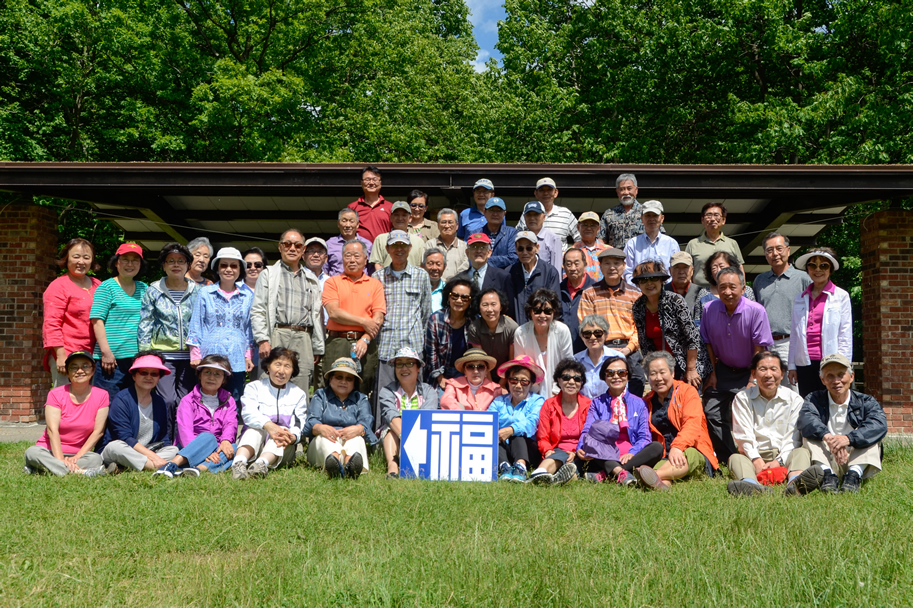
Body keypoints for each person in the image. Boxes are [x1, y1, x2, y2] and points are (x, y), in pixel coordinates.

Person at [699, 266, 774, 464]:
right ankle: (729, 458)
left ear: (743, 287)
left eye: (733, 287)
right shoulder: (709, 309)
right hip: (722, 370)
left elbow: (761, 348)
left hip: (750, 371)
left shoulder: (756, 310)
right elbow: (707, 344)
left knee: (754, 415)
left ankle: (757, 457)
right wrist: (713, 373)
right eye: (722, 287)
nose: (728, 292)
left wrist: (753, 379)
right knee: (711, 410)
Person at [791, 353, 886, 495]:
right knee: (809, 436)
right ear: (822, 380)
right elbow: (806, 420)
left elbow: (879, 425)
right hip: (825, 457)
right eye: (830, 376)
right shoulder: (813, 399)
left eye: (841, 375)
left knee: (872, 438)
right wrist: (828, 437)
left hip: (855, 456)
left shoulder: (866, 401)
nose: (836, 381)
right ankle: (827, 476)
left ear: (851, 376)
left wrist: (848, 439)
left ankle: (853, 477)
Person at [250, 229, 325, 392]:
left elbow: (317, 315)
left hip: (304, 337)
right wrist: (262, 339)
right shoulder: (268, 274)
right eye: (287, 244)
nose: (292, 248)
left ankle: (298, 419)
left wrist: (317, 346)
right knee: (270, 385)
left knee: (301, 387)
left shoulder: (311, 279)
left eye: (298, 245)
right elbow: (258, 309)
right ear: (280, 247)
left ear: (303, 250)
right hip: (277, 334)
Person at [727, 350, 810, 496]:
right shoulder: (742, 398)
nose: (768, 375)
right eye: (762, 369)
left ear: (782, 373)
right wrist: (756, 459)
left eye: (773, 369)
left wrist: (779, 462)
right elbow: (743, 436)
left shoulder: (795, 400)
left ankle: (795, 484)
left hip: (784, 453)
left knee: (802, 452)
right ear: (753, 373)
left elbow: (793, 438)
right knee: (736, 459)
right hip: (753, 454)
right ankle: (751, 486)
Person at [137, 242, 199, 436]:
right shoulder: (154, 290)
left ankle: (183, 440)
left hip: (191, 357)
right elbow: (145, 323)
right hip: (163, 355)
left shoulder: (197, 290)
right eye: (170, 261)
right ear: (163, 265)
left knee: (186, 400)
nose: (176, 265)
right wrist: (145, 355)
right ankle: (166, 439)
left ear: (188, 265)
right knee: (168, 399)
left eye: (181, 261)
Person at [635, 351, 719, 491]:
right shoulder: (646, 401)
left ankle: (653, 476)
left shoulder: (687, 392)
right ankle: (661, 488)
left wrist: (678, 447)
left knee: (689, 455)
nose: (658, 378)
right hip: (665, 455)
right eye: (653, 374)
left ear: (672, 373)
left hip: (692, 450)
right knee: (661, 470)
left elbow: (692, 424)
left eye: (662, 372)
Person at [576, 355, 663, 484]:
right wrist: (580, 446)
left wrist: (632, 453)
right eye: (610, 373)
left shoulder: (639, 403)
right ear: (604, 377)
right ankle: (621, 473)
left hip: (631, 454)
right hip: (604, 453)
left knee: (657, 447)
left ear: (627, 376)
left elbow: (644, 436)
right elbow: (588, 430)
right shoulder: (597, 403)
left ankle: (609, 473)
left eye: (621, 372)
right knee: (592, 442)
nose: (616, 376)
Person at [23, 351, 109, 477]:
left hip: (79, 454)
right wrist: (60, 459)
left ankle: (43, 468)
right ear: (68, 373)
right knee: (32, 452)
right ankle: (81, 472)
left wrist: (77, 456)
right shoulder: (55, 394)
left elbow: (98, 432)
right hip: (50, 450)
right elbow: (52, 430)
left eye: (85, 366)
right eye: (74, 367)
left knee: (95, 459)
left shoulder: (102, 395)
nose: (80, 371)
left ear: (93, 370)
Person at [375, 230, 432, 419]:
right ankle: (383, 438)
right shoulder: (377, 277)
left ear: (409, 248)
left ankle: (417, 434)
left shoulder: (421, 275)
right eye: (394, 246)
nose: (399, 249)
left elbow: (425, 311)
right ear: (387, 249)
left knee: (414, 394)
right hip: (386, 345)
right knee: (385, 395)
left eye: (403, 245)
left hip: (412, 346)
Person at [187, 247, 255, 403]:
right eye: (224, 265)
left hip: (237, 356)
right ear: (217, 268)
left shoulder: (247, 296)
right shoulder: (206, 293)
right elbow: (196, 323)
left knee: (234, 399)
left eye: (234, 265)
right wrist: (195, 355)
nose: (229, 269)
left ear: (240, 270)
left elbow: (248, 329)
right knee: (208, 398)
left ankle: (230, 428)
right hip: (210, 355)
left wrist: (248, 355)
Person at [322, 240, 386, 401]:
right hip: (338, 341)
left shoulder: (375, 284)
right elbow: (334, 312)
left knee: (363, 388)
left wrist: (365, 338)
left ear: (366, 259)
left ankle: (360, 425)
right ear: (342, 258)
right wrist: (364, 322)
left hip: (366, 343)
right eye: (347, 255)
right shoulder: (332, 282)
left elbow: (378, 316)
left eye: (357, 256)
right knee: (333, 386)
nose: (352, 260)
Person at [230, 347, 308, 480]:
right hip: (255, 445)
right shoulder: (254, 387)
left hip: (281, 449)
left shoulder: (298, 393)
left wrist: (292, 436)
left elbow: (299, 424)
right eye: (277, 364)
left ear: (293, 371)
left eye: (287, 366)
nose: (281, 371)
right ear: (268, 366)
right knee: (254, 429)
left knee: (283, 430)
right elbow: (249, 413)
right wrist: (268, 425)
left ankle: (261, 465)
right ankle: (239, 463)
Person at [154, 354, 238, 477]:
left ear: (224, 379)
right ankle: (171, 464)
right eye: (207, 372)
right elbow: (185, 432)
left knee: (234, 448)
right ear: (200, 375)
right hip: (190, 446)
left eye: (217, 374)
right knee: (208, 437)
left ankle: (197, 469)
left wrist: (225, 441)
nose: (211, 377)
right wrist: (203, 451)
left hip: (216, 447)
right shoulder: (188, 400)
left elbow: (230, 424)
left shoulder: (229, 400)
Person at [576, 247, 645, 396]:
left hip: (628, 349)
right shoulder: (590, 293)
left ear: (624, 265)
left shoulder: (635, 294)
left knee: (637, 383)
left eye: (616, 263)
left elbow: (639, 327)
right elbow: (585, 324)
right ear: (600, 266)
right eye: (607, 263)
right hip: (601, 348)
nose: (612, 267)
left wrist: (628, 348)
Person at [99, 352, 180, 473]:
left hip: (147, 451)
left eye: (154, 374)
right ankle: (160, 467)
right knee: (115, 447)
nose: (149, 377)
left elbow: (164, 438)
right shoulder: (122, 399)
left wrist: (158, 453)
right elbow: (125, 438)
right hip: (123, 448)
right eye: (144, 373)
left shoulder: (160, 402)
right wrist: (155, 458)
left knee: (173, 450)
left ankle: (128, 466)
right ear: (134, 376)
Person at [788, 247, 852, 397]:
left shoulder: (841, 296)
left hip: (832, 362)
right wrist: (792, 365)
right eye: (812, 265)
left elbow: (845, 334)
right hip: (805, 362)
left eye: (823, 265)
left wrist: (845, 365)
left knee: (831, 403)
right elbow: (794, 335)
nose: (818, 269)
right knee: (809, 404)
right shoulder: (800, 297)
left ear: (830, 269)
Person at [752, 232, 811, 391]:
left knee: (792, 391)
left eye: (779, 248)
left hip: (791, 343)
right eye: (769, 250)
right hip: (765, 345)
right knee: (767, 390)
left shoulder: (803, 278)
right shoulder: (760, 280)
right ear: (765, 254)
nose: (775, 254)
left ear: (788, 250)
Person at [90, 243, 149, 399]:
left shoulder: (145, 288)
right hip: (111, 361)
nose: (130, 264)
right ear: (116, 263)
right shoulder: (106, 287)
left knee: (133, 403)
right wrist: (106, 353)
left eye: (135, 260)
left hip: (137, 359)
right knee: (108, 403)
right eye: (125, 259)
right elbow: (97, 321)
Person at [631, 261, 703, 388]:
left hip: (685, 364)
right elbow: (644, 344)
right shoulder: (638, 306)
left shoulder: (675, 301)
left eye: (653, 278)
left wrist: (691, 369)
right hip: (660, 367)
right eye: (643, 280)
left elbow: (692, 338)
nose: (649, 283)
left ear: (661, 280)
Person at [303, 358, 377, 479]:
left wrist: (358, 429)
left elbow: (367, 422)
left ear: (354, 383)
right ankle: (334, 464)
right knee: (324, 438)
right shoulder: (320, 395)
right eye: (339, 377)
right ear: (330, 378)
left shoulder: (361, 398)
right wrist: (320, 428)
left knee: (357, 438)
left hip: (349, 441)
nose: (343, 381)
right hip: (323, 444)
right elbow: (310, 422)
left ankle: (350, 466)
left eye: (349, 378)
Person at [43, 238, 102, 387]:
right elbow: (51, 323)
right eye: (76, 256)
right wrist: (61, 355)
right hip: (67, 354)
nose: (81, 261)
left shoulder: (98, 285)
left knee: (90, 402)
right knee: (65, 401)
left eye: (86, 257)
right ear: (66, 258)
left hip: (93, 355)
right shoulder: (58, 286)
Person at [378, 347, 440, 478]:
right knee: (390, 430)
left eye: (410, 363)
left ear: (418, 368)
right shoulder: (386, 391)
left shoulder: (429, 391)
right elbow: (391, 415)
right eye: (399, 364)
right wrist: (407, 436)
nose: (404, 368)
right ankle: (393, 467)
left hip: (422, 435)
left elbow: (426, 418)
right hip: (396, 435)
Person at [529, 358, 589, 485]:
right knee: (558, 456)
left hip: (579, 453)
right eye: (566, 377)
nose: (571, 382)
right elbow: (542, 437)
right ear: (559, 381)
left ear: (581, 383)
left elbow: (591, 436)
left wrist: (575, 451)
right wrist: (547, 450)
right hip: (555, 451)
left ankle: (544, 475)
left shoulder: (589, 405)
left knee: (572, 474)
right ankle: (541, 473)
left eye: (577, 379)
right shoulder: (549, 405)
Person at [490, 356, 546, 482]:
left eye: (524, 382)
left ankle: (521, 467)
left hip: (528, 448)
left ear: (531, 384)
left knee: (517, 433)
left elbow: (532, 423)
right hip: (503, 446)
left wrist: (510, 429)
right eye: (513, 381)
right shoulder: (498, 401)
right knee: (494, 438)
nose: (518, 385)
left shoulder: (538, 401)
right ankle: (504, 467)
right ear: (508, 382)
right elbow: (489, 422)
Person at [513, 289, 573, 397]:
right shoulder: (521, 333)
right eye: (537, 310)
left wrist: (556, 392)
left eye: (547, 311)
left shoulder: (562, 331)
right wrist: (535, 395)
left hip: (561, 391)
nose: (542, 315)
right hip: (530, 392)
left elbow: (568, 365)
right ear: (530, 312)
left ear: (554, 312)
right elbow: (521, 368)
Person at [424, 277, 476, 390]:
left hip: (465, 373)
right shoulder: (436, 319)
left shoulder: (474, 322)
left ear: (471, 301)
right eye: (455, 295)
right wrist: (440, 377)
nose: (459, 300)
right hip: (439, 372)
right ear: (448, 296)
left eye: (464, 297)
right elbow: (431, 353)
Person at [454, 233, 515, 319]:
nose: (478, 251)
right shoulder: (459, 279)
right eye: (474, 247)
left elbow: (509, 310)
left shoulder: (503, 277)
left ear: (489, 252)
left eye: (483, 247)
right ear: (467, 253)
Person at [692, 251, 758, 330]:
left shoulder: (747, 291)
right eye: (714, 267)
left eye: (721, 266)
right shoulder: (703, 293)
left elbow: (754, 317)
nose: (718, 270)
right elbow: (697, 322)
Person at [685, 202, 744, 288]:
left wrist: (742, 289)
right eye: (708, 215)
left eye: (716, 215)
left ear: (723, 220)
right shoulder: (693, 244)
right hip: (699, 291)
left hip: (727, 291)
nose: (712, 219)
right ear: (702, 220)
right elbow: (687, 270)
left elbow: (740, 269)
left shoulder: (732, 243)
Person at [622, 200, 680, 286]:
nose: (651, 219)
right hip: (638, 292)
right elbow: (627, 271)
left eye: (655, 215)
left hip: (665, 291)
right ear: (642, 218)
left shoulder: (672, 244)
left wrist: (667, 289)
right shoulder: (632, 244)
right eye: (648, 215)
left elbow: (675, 270)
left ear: (662, 218)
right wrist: (636, 289)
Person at [508, 231, 561, 325]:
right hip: (516, 331)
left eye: (529, 248)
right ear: (516, 249)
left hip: (541, 330)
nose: (524, 252)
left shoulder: (550, 272)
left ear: (537, 248)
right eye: (520, 248)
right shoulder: (509, 272)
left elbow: (555, 306)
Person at [465, 288, 518, 380]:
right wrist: (490, 385)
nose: (489, 309)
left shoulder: (512, 327)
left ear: (501, 306)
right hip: (483, 374)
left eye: (493, 304)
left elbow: (511, 361)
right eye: (485, 305)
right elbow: (481, 360)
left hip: (507, 375)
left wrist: (502, 384)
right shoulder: (474, 328)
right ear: (479, 307)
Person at [516, 177, 580, 249]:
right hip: (534, 259)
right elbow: (517, 237)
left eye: (549, 190)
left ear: (556, 193)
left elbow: (580, 237)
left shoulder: (566, 213)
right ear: (536, 193)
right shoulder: (528, 213)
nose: (546, 193)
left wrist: (569, 254)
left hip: (559, 259)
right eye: (541, 190)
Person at [574, 315, 624, 400]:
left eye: (598, 333)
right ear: (582, 336)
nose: (593, 337)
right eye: (587, 334)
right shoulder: (575, 360)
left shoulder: (617, 358)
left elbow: (623, 389)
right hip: (584, 409)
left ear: (605, 335)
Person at [369, 201, 426, 271]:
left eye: (404, 215)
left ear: (410, 218)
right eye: (396, 215)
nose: (400, 218)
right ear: (390, 218)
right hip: (387, 280)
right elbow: (378, 264)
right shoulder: (380, 239)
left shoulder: (419, 241)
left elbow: (420, 266)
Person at [598, 173, 650, 248]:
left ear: (636, 190)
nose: (626, 192)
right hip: (616, 258)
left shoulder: (647, 211)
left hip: (641, 257)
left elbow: (657, 236)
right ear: (617, 192)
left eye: (629, 188)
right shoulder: (609, 214)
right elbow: (601, 241)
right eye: (622, 189)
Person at [561, 248, 596, 353]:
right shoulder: (558, 290)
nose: (573, 268)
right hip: (562, 350)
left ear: (585, 265)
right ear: (564, 266)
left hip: (587, 351)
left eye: (577, 263)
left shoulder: (595, 290)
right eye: (568, 264)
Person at [423, 208, 468, 283]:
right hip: (434, 288)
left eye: (450, 222)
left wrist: (450, 283)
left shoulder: (465, 247)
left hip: (456, 288)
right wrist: (441, 284)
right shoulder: (429, 245)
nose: (447, 226)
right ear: (438, 225)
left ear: (457, 225)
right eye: (443, 222)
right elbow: (426, 267)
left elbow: (464, 270)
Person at [347, 165, 391, 242]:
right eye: (367, 179)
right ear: (361, 182)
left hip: (383, 251)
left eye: (375, 179)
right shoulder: (352, 207)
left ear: (380, 182)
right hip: (361, 251)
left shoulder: (390, 207)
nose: (371, 183)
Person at [515, 201, 562, 272]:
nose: (532, 218)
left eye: (536, 214)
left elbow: (556, 270)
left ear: (544, 217)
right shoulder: (518, 238)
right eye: (529, 215)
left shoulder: (553, 239)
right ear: (524, 217)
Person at [325, 208, 373, 277]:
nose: (348, 225)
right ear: (338, 224)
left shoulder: (367, 244)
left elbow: (372, 271)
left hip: (361, 285)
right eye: (344, 221)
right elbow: (324, 271)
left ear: (357, 224)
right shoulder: (329, 244)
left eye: (351, 221)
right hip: (337, 286)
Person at [481, 197, 517, 269]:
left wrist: (485, 260)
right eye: (491, 210)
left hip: (504, 277)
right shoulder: (476, 233)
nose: (495, 214)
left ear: (504, 213)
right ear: (484, 212)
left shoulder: (511, 233)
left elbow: (513, 258)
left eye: (499, 210)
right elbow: (470, 257)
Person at [573, 211, 607, 281]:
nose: (588, 228)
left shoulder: (608, 250)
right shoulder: (572, 251)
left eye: (593, 225)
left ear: (598, 228)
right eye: (585, 225)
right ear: (578, 227)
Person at [423, 248, 447, 313]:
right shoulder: (416, 288)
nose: (434, 268)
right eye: (430, 264)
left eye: (438, 264)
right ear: (423, 266)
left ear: (444, 267)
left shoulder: (448, 290)